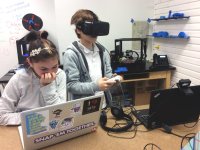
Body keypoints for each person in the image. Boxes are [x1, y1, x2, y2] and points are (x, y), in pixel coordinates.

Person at [0, 31, 66, 125]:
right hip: (27, 126)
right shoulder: (18, 79)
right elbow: (2, 115)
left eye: (55, 66)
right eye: (43, 69)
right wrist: (35, 118)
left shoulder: (60, 75)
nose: (50, 73)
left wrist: (47, 87)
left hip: (53, 125)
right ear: (30, 62)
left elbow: (61, 111)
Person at [63, 9, 122, 107]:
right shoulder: (71, 54)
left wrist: (113, 80)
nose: (94, 33)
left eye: (96, 28)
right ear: (78, 29)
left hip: (104, 103)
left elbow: (107, 75)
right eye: (90, 29)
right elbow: (71, 85)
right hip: (84, 107)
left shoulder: (103, 51)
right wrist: (96, 86)